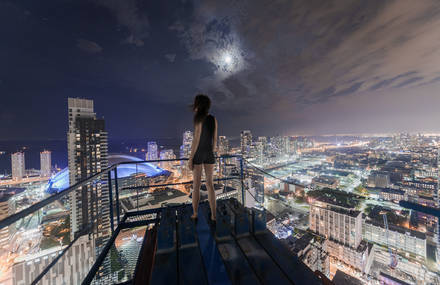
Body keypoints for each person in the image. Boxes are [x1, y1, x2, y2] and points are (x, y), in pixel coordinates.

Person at [188, 94, 217, 222]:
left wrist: (190, 158)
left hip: (199, 153)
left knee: (196, 185)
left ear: (198, 105)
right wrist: (212, 150)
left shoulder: (198, 119)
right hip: (209, 153)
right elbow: (215, 140)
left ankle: (195, 213)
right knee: (210, 185)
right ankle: (213, 215)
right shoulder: (213, 119)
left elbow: (196, 139)